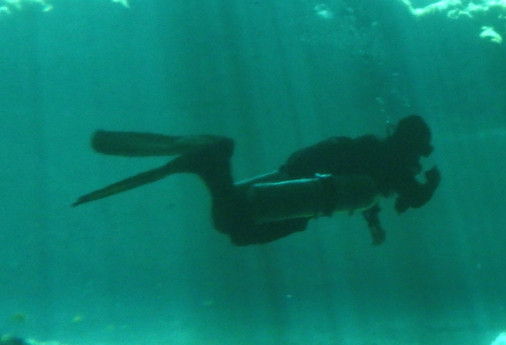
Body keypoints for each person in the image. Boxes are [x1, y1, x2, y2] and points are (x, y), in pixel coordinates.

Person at [73, 116, 440, 246]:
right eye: (423, 144)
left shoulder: (373, 149)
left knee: (237, 230)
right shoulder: (394, 164)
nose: (426, 151)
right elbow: (413, 198)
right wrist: (433, 183)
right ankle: (214, 160)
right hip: (309, 190)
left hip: (295, 177)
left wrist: (374, 224)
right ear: (411, 142)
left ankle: (211, 163)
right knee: (232, 223)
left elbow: (369, 189)